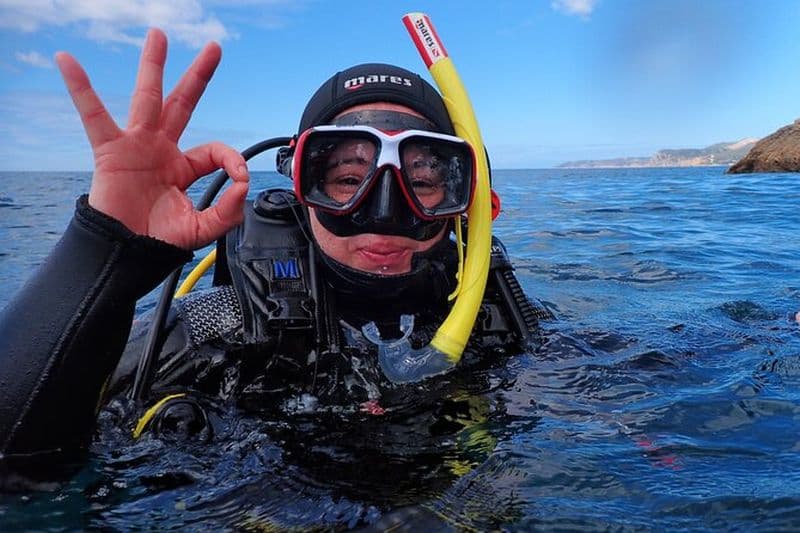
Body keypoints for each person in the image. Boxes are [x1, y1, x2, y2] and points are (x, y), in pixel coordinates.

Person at [0, 29, 547, 476]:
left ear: (464, 196)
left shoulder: (497, 318)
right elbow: (17, 473)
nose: (383, 211)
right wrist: (103, 252)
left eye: (423, 180)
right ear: (298, 183)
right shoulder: (222, 326)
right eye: (347, 178)